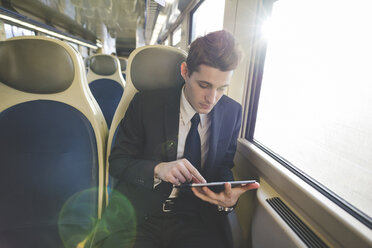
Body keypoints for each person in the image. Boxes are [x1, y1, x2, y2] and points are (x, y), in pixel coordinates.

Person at [96, 30, 259, 248]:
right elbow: (118, 162)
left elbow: (222, 167)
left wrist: (227, 198)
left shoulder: (232, 113)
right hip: (139, 216)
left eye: (222, 88)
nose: (212, 99)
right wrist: (158, 169)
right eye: (204, 85)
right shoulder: (146, 104)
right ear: (185, 72)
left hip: (195, 220)